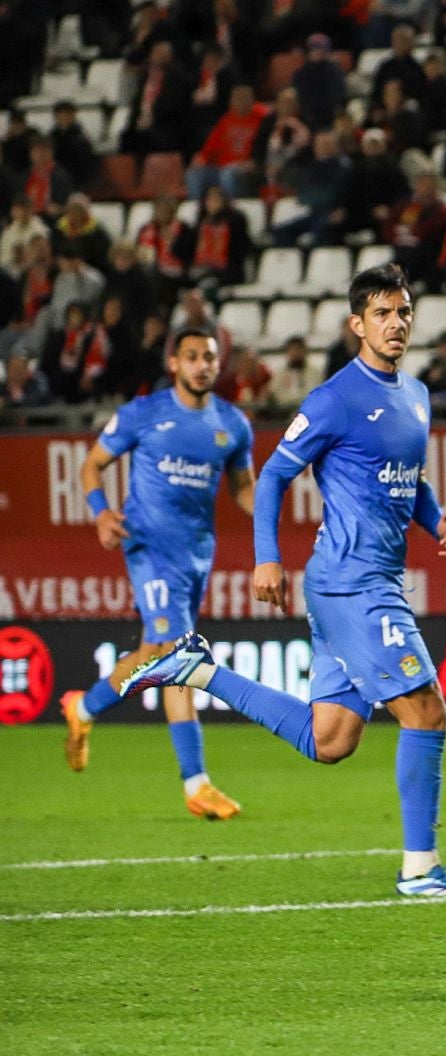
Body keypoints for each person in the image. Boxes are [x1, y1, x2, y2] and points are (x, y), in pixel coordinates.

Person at [123, 264, 446, 899]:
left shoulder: (417, 396)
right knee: (427, 712)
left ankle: (197, 672)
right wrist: (267, 558)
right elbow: (269, 477)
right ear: (357, 325)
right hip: (352, 583)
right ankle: (420, 868)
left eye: (403, 312)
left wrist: (439, 526)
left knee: (331, 740)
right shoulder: (334, 400)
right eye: (382, 313)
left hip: (363, 580)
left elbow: (408, 480)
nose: (396, 323)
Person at [58, 327, 256, 820]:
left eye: (209, 356)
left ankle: (83, 708)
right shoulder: (143, 414)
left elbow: (244, 489)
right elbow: (91, 466)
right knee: (176, 655)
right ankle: (197, 783)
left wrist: (271, 506)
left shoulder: (233, 425)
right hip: (147, 548)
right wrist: (102, 512)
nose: (202, 364)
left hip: (195, 557)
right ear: (174, 364)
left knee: (153, 653)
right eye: (191, 356)